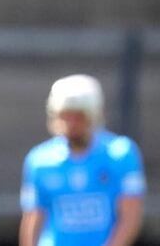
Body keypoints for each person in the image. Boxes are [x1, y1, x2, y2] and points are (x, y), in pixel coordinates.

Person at [19, 74, 146, 246]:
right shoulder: (39, 161)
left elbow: (131, 216)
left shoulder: (120, 154)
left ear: (93, 115)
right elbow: (33, 217)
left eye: (78, 116)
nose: (71, 124)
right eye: (66, 116)